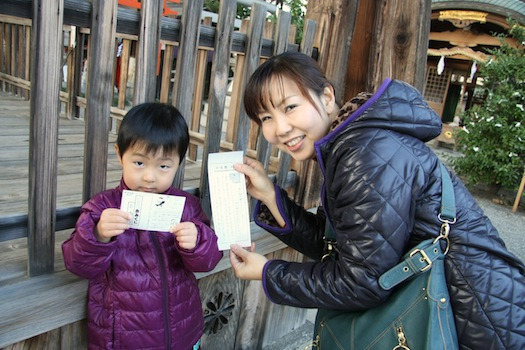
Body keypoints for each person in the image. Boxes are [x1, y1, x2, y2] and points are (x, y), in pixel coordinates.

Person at [229, 51, 525, 349]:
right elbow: (345, 247)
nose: (280, 128)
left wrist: (268, 273)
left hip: (477, 315)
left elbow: (360, 281)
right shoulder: (355, 144)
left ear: (327, 97)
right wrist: (269, 196)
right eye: (266, 117)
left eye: (290, 107)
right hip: (459, 305)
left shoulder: (366, 155)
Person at [62, 103, 222, 350]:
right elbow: (78, 264)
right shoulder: (102, 209)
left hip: (183, 330)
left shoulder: (186, 207)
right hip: (124, 338)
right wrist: (98, 235)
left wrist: (198, 241)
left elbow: (208, 261)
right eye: (139, 163)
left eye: (163, 166)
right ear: (119, 154)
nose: (149, 177)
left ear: (179, 162)